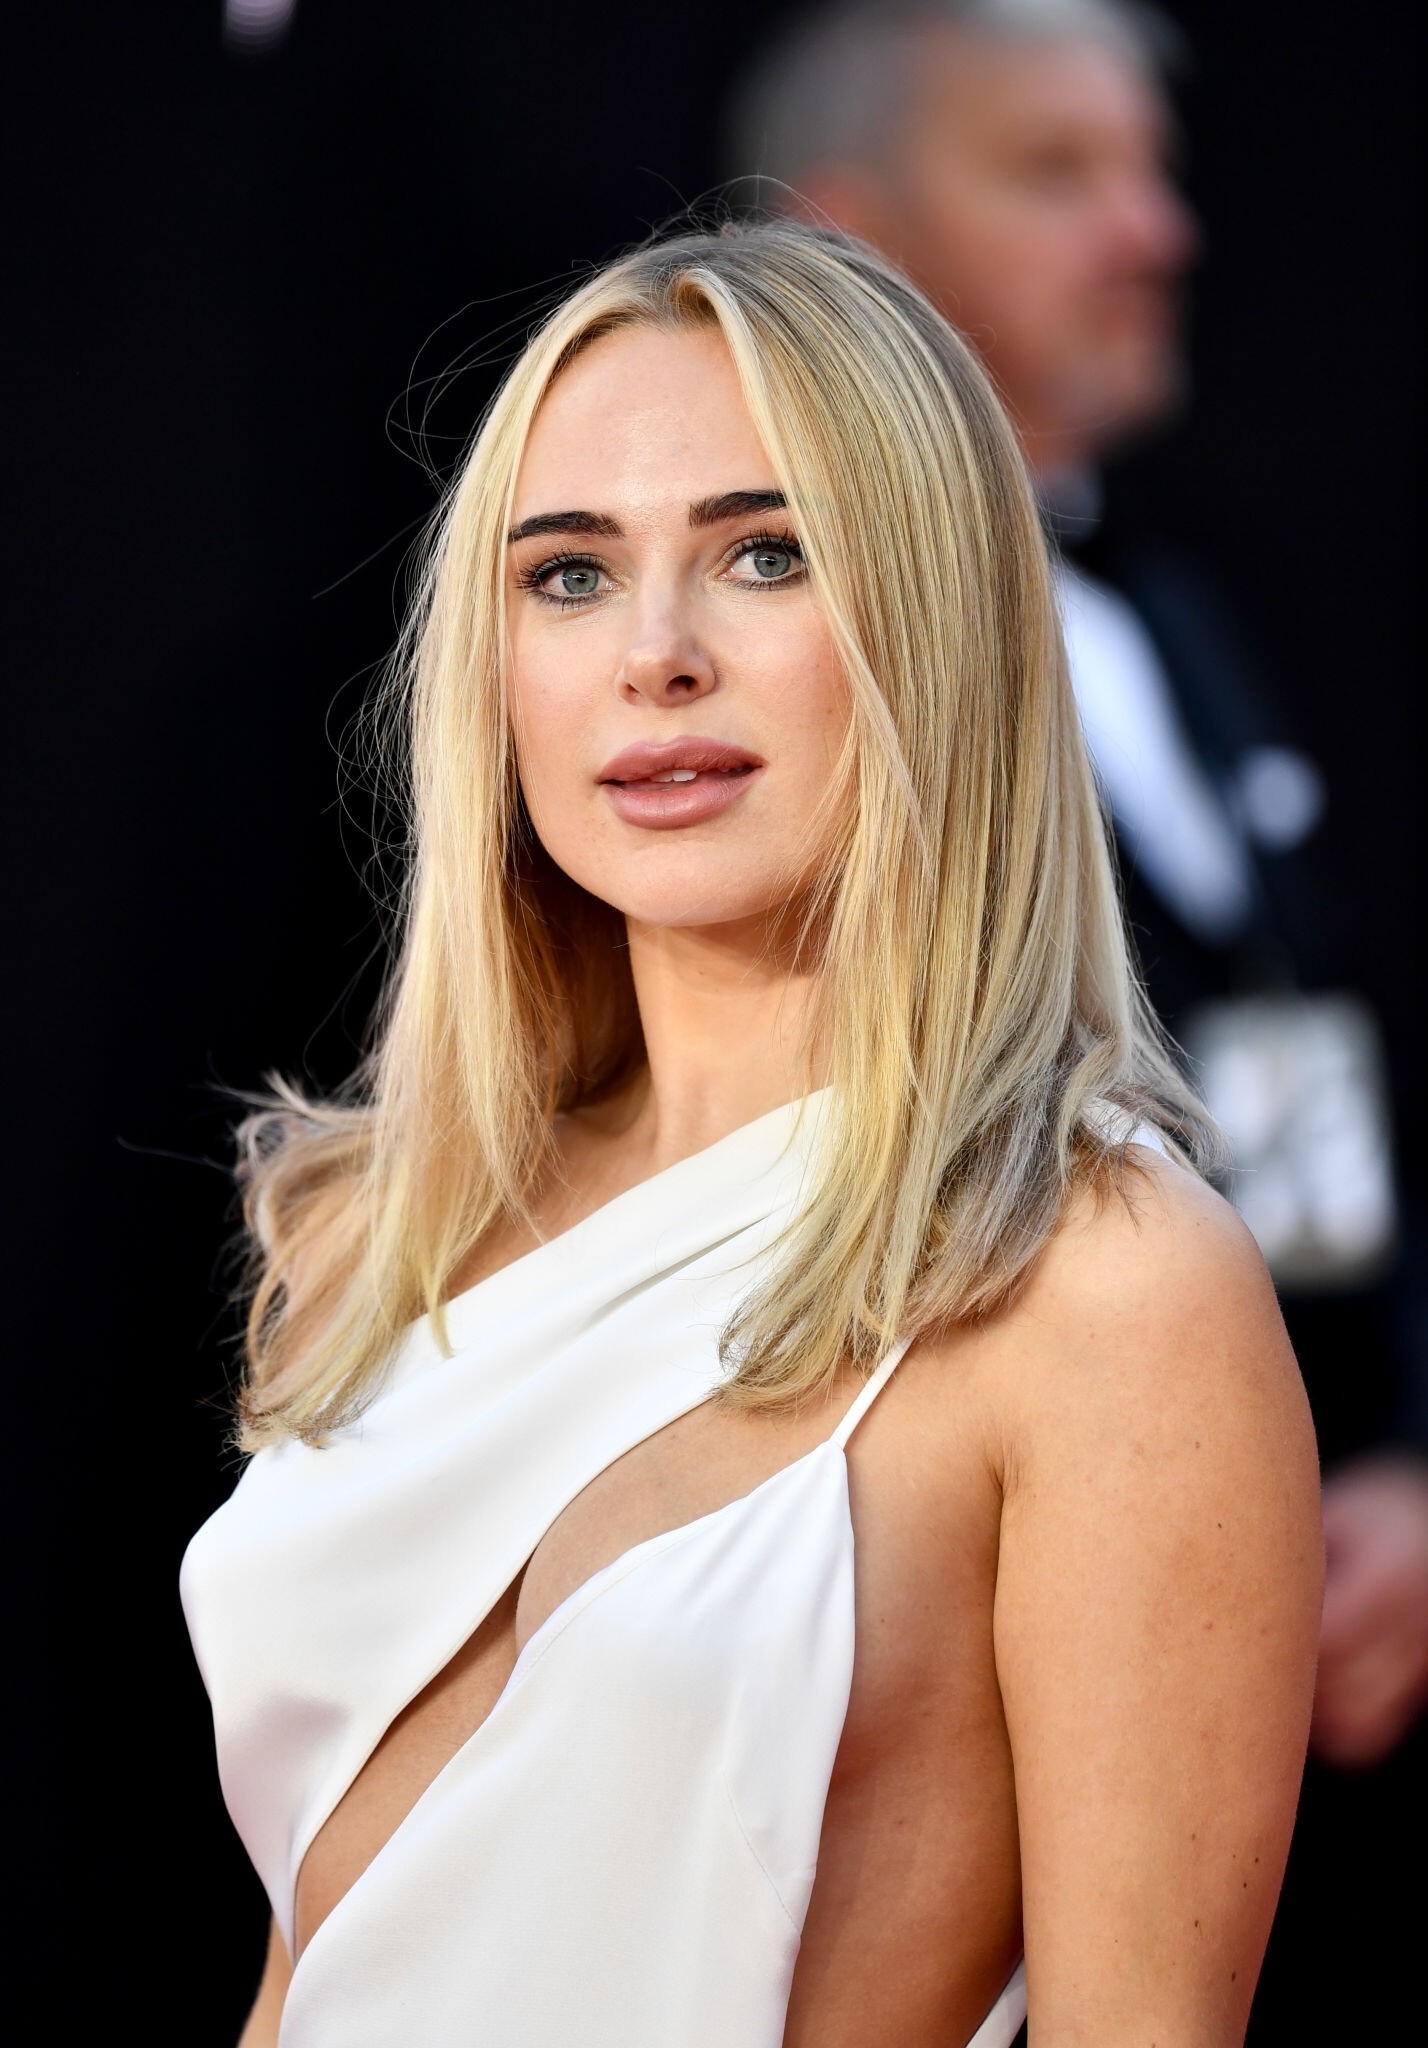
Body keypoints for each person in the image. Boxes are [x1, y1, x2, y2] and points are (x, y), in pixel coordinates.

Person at [181, 220, 1321, 2047]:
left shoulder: (1103, 1292)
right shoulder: (381, 1231)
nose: (655, 654)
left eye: (766, 554)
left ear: (942, 621)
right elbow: (314, 1959)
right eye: (569, 575)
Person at [722, 0, 1428, 1825]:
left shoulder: (1175, 616)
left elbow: (1295, 1053)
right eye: (1058, 172)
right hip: (960, 1730)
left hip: (1315, 1676)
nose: (1157, 232)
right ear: (843, 236)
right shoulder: (759, 673)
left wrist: (1395, 1463)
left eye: (1152, 172)